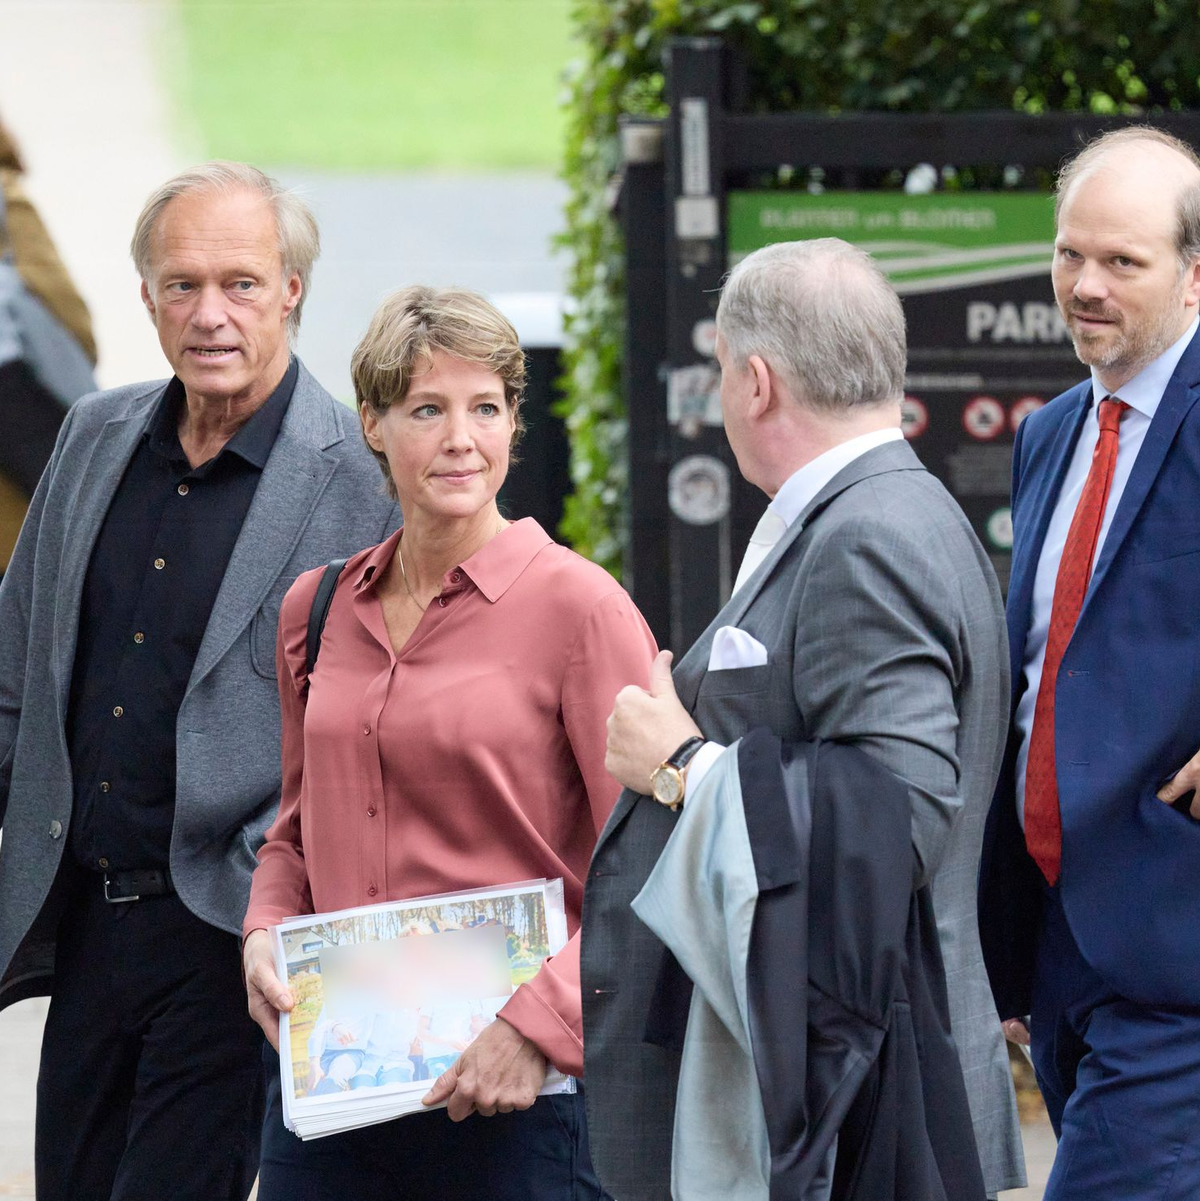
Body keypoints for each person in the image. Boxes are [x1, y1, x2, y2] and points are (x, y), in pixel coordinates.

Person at [585, 238, 1024, 1199]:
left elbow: (896, 823)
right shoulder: (900, 509)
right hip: (849, 1084)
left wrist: (682, 764)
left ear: (754, 380)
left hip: (858, 1108)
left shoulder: (868, 536)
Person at [0, 161, 398, 1201]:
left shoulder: (360, 481)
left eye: (241, 284)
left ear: (293, 291)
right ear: (145, 297)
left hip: (229, 936)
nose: (210, 314)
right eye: (182, 285)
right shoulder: (92, 439)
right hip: (82, 925)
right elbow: (16, 671)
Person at [241, 285, 657, 1200]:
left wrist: (539, 1027)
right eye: (428, 409)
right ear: (374, 425)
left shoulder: (582, 610)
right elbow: (295, 830)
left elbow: (651, 870)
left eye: (486, 408)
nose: (461, 438)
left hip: (510, 1095)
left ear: (514, 424)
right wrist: (264, 928)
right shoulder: (316, 608)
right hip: (336, 1092)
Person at [978, 126, 1200, 1200]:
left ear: (1195, 274)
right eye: (1071, 255)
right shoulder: (1053, 430)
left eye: (1123, 262)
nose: (1085, 285)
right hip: (1061, 942)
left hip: (1177, 943)